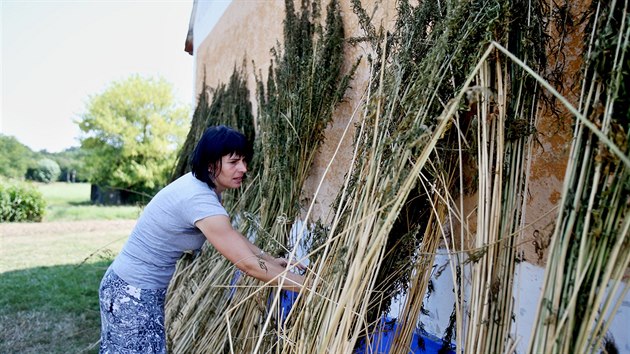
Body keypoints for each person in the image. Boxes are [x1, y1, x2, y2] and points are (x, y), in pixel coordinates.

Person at [98, 125, 307, 353]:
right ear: (211, 164)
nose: (243, 168)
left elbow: (232, 236)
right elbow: (246, 264)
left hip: (133, 287)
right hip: (131, 292)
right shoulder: (199, 199)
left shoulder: (203, 188)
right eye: (234, 162)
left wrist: (271, 260)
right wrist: (309, 287)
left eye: (244, 161)